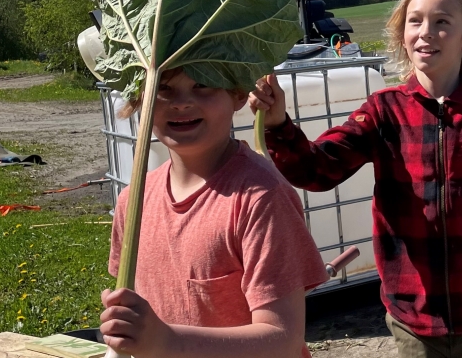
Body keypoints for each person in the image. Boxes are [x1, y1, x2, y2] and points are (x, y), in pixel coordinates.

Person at [250, 0, 462, 358]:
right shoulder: (384, 112)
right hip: (415, 320)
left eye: (442, 22)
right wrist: (280, 125)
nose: (426, 32)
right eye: (415, 21)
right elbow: (318, 170)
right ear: (403, 33)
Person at [101, 68, 329, 358]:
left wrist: (168, 342)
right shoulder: (133, 201)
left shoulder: (260, 198)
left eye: (204, 83)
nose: (181, 102)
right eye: (165, 88)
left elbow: (282, 339)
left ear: (236, 94)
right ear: (139, 100)